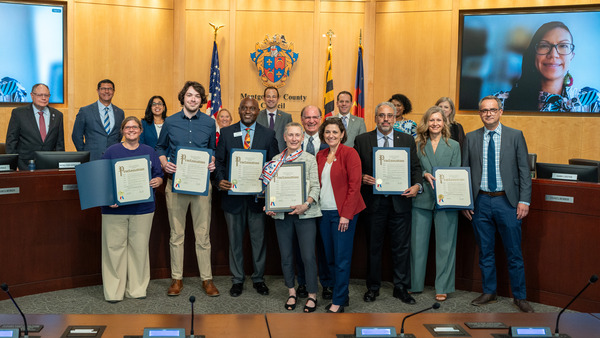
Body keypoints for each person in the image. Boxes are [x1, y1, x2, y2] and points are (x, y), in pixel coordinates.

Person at [462, 95, 533, 313]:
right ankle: (489, 292)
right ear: (480, 113)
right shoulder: (471, 138)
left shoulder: (515, 136)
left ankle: (519, 296)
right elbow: (464, 172)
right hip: (480, 201)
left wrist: (524, 200)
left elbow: (524, 171)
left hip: (508, 202)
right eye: (484, 110)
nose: (488, 113)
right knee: (485, 251)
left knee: (514, 252)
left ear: (500, 112)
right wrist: (465, 201)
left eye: (492, 110)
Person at [155, 81, 220, 297]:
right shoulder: (170, 122)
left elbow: (212, 149)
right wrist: (164, 163)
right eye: (189, 95)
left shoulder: (210, 123)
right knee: (177, 234)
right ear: (183, 97)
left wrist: (212, 161)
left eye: (197, 96)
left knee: (203, 235)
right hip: (176, 185)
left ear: (202, 100)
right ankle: (177, 279)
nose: (193, 99)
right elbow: (160, 147)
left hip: (201, 186)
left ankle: (207, 279)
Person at [354, 102, 423, 305]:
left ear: (395, 118)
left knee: (401, 248)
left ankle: (401, 288)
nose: (386, 119)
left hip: (400, 202)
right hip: (373, 204)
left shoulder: (407, 140)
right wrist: (362, 176)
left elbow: (416, 168)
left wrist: (417, 185)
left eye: (389, 116)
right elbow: (354, 168)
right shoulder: (362, 140)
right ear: (375, 118)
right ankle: (373, 287)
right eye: (382, 115)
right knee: (374, 248)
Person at [214, 97, 279, 297]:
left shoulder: (268, 134)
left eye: (252, 108)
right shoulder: (225, 132)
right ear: (239, 110)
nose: (248, 111)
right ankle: (238, 279)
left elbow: (273, 164)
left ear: (258, 111)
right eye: (244, 108)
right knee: (235, 241)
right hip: (232, 198)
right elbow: (219, 162)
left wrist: (266, 186)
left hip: (257, 199)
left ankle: (258, 279)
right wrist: (220, 180)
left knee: (259, 240)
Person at [100, 116, 163, 302]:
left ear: (141, 131)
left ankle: (137, 289)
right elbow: (102, 178)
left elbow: (158, 175)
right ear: (122, 130)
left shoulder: (149, 151)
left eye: (135, 127)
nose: (131, 130)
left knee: (139, 249)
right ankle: (114, 292)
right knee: (114, 250)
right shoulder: (112, 151)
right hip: (114, 209)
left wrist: (158, 180)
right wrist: (107, 198)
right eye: (127, 127)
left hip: (143, 208)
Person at [263, 122, 321, 312]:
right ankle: (291, 292)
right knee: (286, 256)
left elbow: (315, 187)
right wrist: (270, 205)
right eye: (291, 135)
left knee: (308, 256)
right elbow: (271, 188)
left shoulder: (310, 159)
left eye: (298, 135)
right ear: (285, 137)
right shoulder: (276, 159)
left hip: (306, 214)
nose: (294, 139)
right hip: (282, 216)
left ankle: (312, 295)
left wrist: (306, 204)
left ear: (302, 138)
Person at [410, 106, 461, 302]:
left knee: (446, 246)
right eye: (431, 120)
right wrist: (424, 174)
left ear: (444, 122)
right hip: (421, 200)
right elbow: (413, 169)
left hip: (447, 202)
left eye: (439, 120)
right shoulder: (417, 144)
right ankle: (415, 284)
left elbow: (456, 173)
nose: (435, 124)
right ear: (426, 122)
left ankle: (443, 287)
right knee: (417, 245)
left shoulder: (453, 146)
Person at [316, 117, 366, 313]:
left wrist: (346, 215)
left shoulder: (350, 154)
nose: (331, 135)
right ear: (323, 134)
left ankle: (338, 301)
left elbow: (355, 187)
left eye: (335, 132)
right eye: (327, 132)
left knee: (341, 258)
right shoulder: (320, 155)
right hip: (323, 213)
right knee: (328, 256)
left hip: (343, 214)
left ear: (342, 134)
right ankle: (341, 295)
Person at [499, 21, 599, 112]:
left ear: (571, 56)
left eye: (563, 46)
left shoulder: (592, 101)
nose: (553, 54)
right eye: (544, 46)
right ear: (534, 54)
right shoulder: (500, 103)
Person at [296, 105, 333, 300]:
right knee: (303, 248)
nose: (311, 121)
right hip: (301, 204)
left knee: (324, 246)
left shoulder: (330, 141)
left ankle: (326, 284)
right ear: (301, 119)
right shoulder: (295, 141)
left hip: (324, 202)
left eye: (315, 117)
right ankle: (303, 282)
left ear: (321, 119)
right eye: (307, 117)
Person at [5, 83, 64, 170]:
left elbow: (60, 144)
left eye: (46, 95)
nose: (44, 98)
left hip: (49, 166)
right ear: (32, 96)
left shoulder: (58, 115)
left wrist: (60, 164)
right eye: (40, 95)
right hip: (24, 165)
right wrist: (13, 164)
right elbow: (11, 141)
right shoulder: (19, 113)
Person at [72, 79, 125, 161]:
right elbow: (76, 135)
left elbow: (119, 135)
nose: (106, 91)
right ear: (98, 91)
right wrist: (84, 154)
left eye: (110, 89)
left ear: (113, 91)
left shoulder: (120, 113)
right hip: (92, 158)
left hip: (114, 157)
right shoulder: (85, 111)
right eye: (103, 88)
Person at [257, 86, 293, 152]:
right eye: (268, 96)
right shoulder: (257, 116)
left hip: (281, 155)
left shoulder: (286, 117)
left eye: (274, 96)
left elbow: (290, 138)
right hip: (262, 154)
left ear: (278, 99)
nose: (271, 99)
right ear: (264, 98)